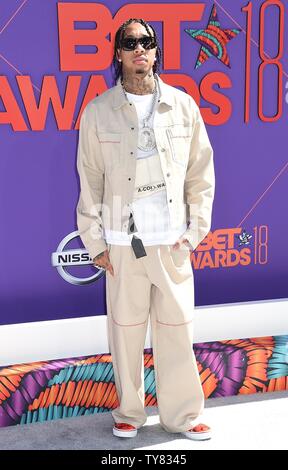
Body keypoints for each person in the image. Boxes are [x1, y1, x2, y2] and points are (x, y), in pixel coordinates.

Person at [76, 18, 215, 441]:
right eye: (130, 42)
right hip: (121, 244)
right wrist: (95, 241)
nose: (139, 49)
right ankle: (129, 413)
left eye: (147, 42)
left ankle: (183, 417)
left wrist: (195, 232)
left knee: (177, 334)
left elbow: (200, 174)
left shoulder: (183, 106)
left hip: (171, 242)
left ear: (156, 51)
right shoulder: (99, 111)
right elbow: (90, 178)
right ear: (118, 53)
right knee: (126, 334)